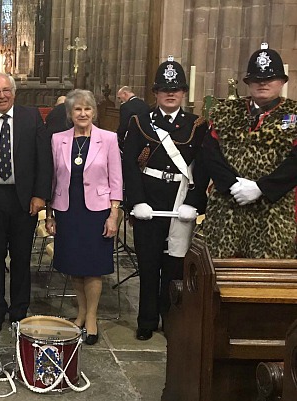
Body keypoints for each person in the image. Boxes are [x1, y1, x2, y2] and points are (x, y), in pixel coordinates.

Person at [122, 56, 209, 341]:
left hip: (179, 201)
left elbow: (203, 166)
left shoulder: (197, 125)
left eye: (176, 89)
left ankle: (171, 318)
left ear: (184, 93)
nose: (170, 94)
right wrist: (136, 201)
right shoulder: (140, 121)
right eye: (164, 89)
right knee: (147, 264)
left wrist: (194, 203)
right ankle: (146, 319)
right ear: (155, 93)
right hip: (148, 201)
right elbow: (129, 166)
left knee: (174, 267)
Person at [203, 42, 297, 259]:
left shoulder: (294, 114)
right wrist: (232, 185)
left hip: (274, 212)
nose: (262, 83)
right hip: (227, 209)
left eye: (269, 78)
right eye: (256, 79)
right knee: (220, 277)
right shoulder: (225, 111)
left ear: (282, 81)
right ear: (248, 82)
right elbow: (209, 153)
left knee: (267, 280)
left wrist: (261, 188)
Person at [45, 89, 123, 345]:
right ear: (70, 113)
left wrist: (113, 215)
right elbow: (53, 179)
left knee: (93, 268)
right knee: (75, 267)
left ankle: (91, 318)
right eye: (77, 109)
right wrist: (50, 213)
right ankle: (80, 313)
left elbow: (116, 179)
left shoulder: (108, 138)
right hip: (68, 210)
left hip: (97, 211)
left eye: (87, 109)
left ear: (94, 112)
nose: (83, 113)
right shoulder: (58, 139)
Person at [0, 72, 53, 326]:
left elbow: (44, 159)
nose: (1, 95)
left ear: (14, 92)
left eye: (5, 90)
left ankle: (20, 308)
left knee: (21, 257)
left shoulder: (31, 117)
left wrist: (40, 195)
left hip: (24, 199)